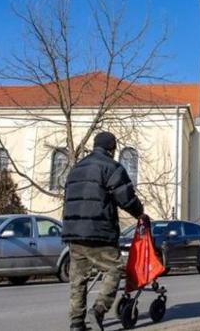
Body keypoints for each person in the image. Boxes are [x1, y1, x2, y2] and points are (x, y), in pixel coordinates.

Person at [62, 132, 147, 331]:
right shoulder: (111, 167)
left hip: (74, 232)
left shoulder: (76, 168)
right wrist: (140, 214)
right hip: (99, 231)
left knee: (78, 278)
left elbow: (67, 198)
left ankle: (76, 322)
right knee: (114, 269)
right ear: (112, 149)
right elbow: (125, 197)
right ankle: (98, 309)